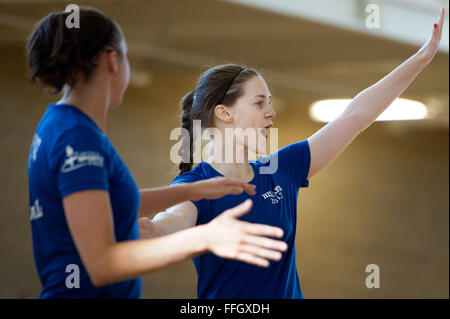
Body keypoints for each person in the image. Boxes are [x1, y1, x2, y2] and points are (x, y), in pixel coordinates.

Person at [140, 8, 446, 298]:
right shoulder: (195, 188)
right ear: (224, 113)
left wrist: (421, 58)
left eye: (270, 102)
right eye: (260, 102)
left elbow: (354, 116)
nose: (272, 112)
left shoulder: (283, 168)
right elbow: (160, 230)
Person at [26, 6, 289, 299]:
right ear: (113, 61)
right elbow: (101, 265)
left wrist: (195, 190)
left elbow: (106, 206)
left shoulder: (58, 125)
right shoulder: (77, 138)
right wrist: (204, 237)